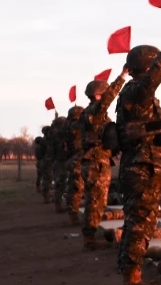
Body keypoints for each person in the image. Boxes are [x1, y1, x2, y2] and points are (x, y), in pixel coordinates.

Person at [115, 23, 161, 285]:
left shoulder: (137, 95)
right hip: (141, 167)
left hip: (143, 165)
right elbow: (155, 76)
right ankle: (132, 281)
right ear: (146, 67)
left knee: (137, 221)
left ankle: (130, 274)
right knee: (141, 223)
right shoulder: (137, 91)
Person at [79, 72, 127, 250]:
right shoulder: (95, 111)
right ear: (98, 95)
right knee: (96, 201)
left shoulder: (89, 113)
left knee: (96, 200)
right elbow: (110, 96)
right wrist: (123, 76)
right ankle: (89, 239)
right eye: (104, 94)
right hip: (96, 162)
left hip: (95, 160)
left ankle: (90, 235)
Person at [62, 105, 87, 228]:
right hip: (77, 160)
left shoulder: (67, 126)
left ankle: (73, 214)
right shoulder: (74, 126)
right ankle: (74, 216)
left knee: (74, 188)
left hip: (73, 159)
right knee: (77, 189)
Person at [49, 112, 71, 213]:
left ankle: (58, 203)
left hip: (59, 161)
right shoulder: (58, 135)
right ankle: (58, 205)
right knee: (60, 183)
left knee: (60, 183)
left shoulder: (54, 134)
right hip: (61, 161)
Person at [33, 127, 51, 201]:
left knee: (40, 176)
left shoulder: (38, 146)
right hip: (43, 161)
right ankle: (46, 194)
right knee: (46, 177)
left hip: (39, 162)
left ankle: (40, 188)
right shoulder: (43, 144)